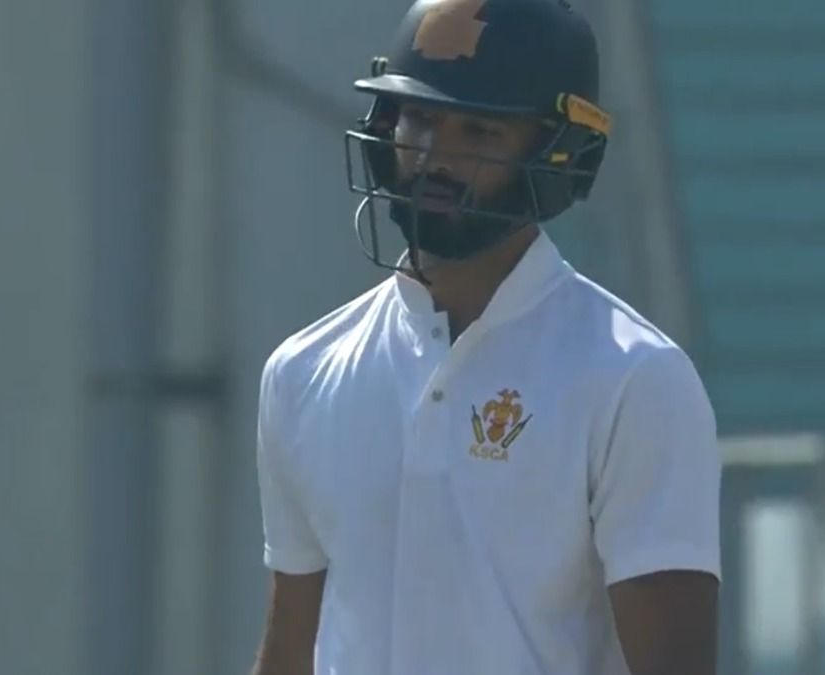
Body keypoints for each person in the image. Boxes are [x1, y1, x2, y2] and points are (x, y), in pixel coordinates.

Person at [252, 0, 720, 673]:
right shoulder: (302, 373)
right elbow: (290, 655)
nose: (435, 157)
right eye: (419, 120)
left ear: (559, 153)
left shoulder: (634, 377)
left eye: (479, 131)